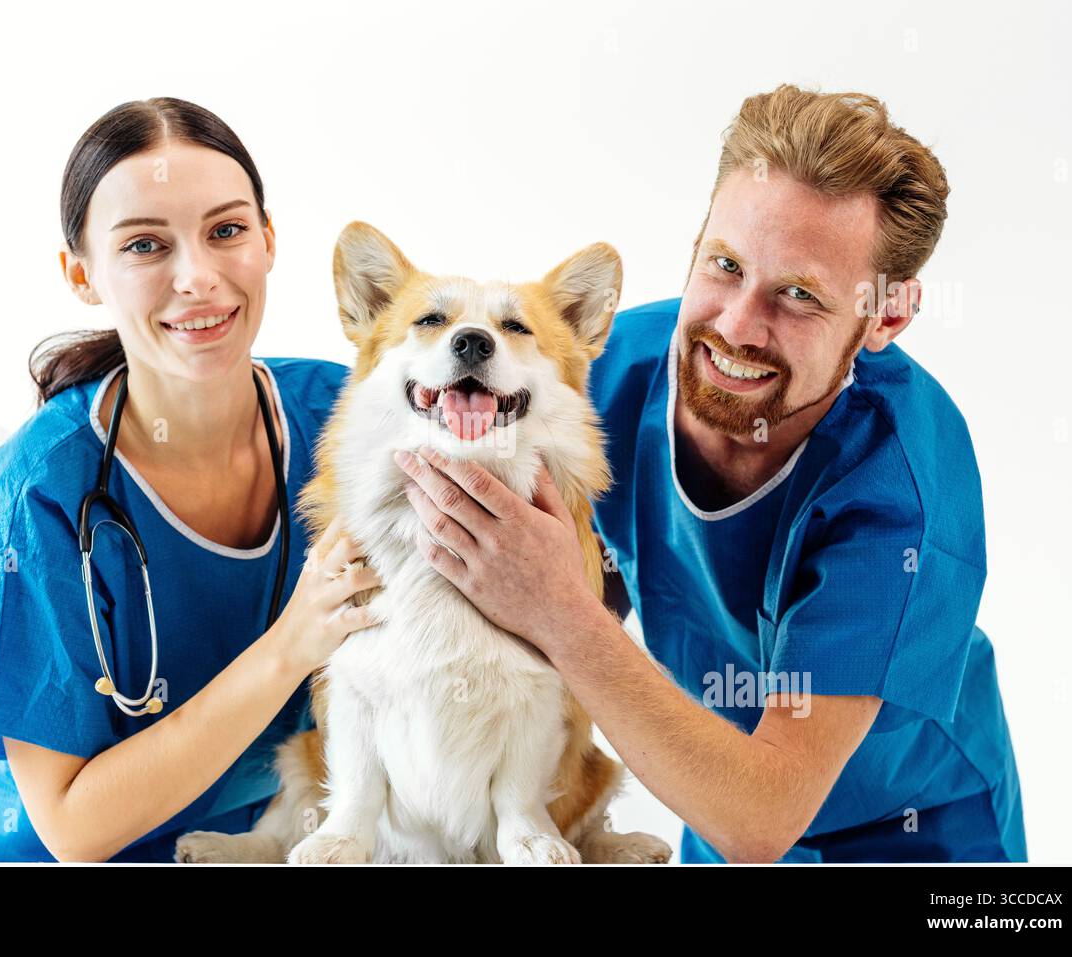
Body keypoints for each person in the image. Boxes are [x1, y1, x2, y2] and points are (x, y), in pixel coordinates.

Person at [391, 84, 1026, 863]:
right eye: (725, 265)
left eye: (799, 296)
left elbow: (762, 815)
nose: (734, 327)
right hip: (707, 776)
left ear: (885, 317)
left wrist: (559, 609)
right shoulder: (603, 375)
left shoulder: (904, 489)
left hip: (910, 827)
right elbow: (569, 583)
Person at [0, 97, 382, 862]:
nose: (198, 278)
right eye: (146, 245)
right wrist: (293, 643)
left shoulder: (346, 420)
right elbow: (74, 829)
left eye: (226, 230)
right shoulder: (31, 501)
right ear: (81, 274)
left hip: (215, 844)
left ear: (270, 240)